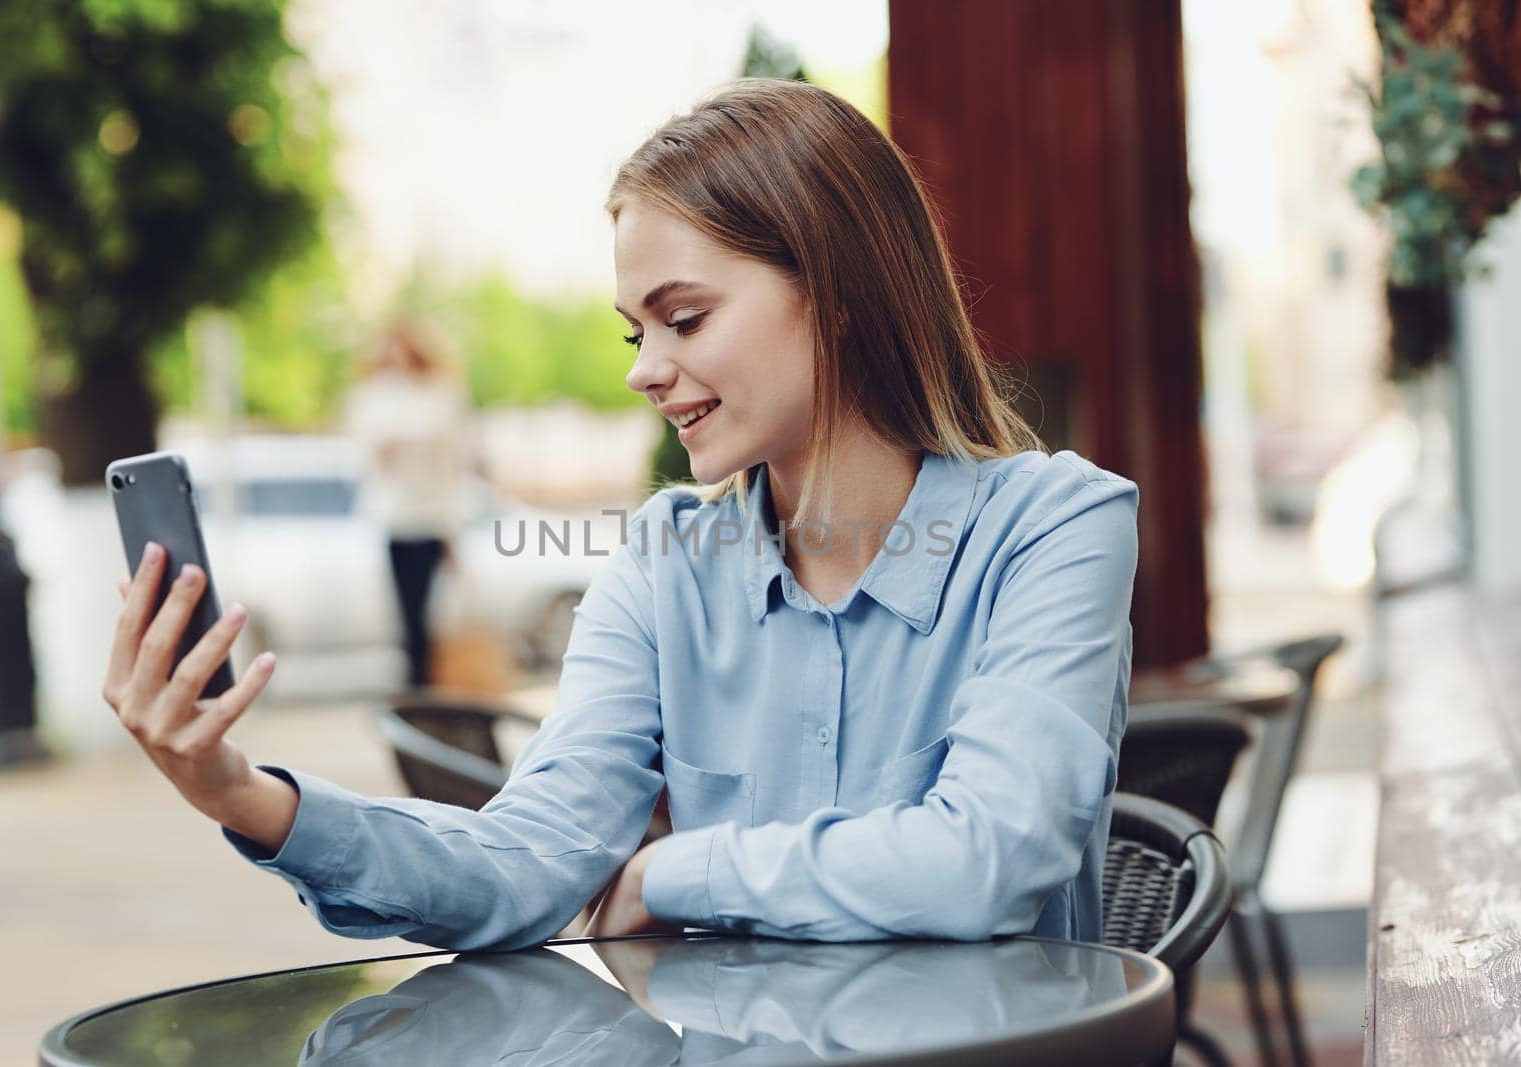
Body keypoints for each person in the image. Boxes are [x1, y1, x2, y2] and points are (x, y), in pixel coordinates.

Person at [101, 78, 1138, 951]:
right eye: (633, 329)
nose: (645, 369)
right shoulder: (665, 562)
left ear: (835, 291)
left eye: (684, 317)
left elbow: (986, 860)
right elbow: (527, 858)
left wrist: (673, 871)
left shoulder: (1058, 526)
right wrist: (240, 791)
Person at [342, 323, 468, 689]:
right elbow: (361, 460)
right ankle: (415, 685)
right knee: (406, 612)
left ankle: (425, 685)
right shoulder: (370, 398)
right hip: (394, 519)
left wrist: (452, 529)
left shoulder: (441, 397)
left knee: (429, 614)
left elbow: (451, 468)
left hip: (430, 518)